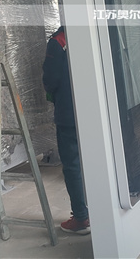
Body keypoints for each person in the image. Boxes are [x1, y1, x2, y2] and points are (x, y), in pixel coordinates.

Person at [42, 25, 90, 235]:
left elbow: (50, 80)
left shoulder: (59, 41)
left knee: (73, 166)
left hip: (69, 114)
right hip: (95, 114)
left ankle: (81, 217)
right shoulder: (94, 34)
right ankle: (104, 210)